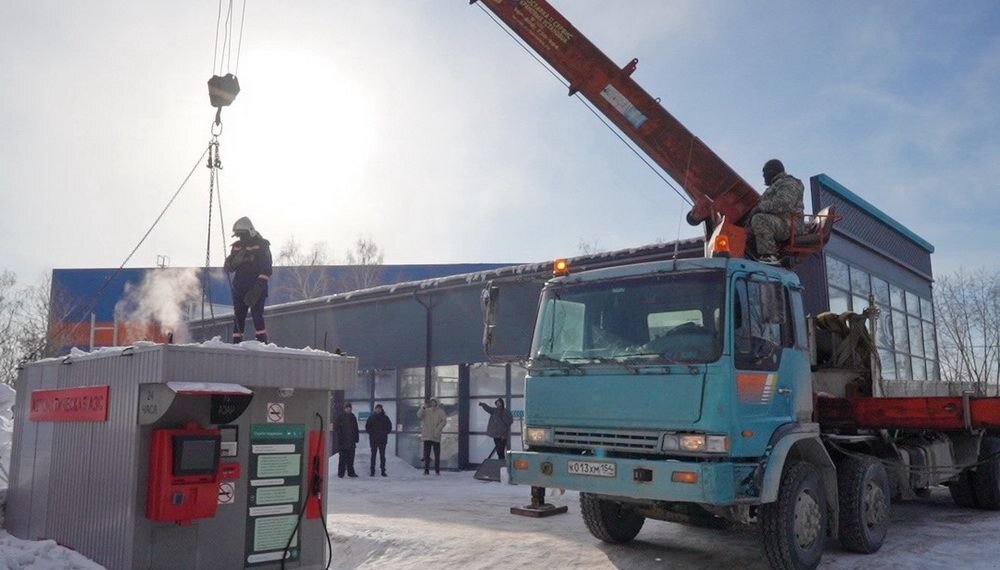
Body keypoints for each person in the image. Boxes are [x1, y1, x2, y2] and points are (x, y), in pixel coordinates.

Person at [223, 216, 273, 343]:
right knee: (238, 318)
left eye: (242, 235)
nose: (240, 238)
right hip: (239, 289)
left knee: (257, 317)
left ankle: (262, 344)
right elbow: (228, 267)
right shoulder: (238, 246)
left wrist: (257, 289)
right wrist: (234, 261)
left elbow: (266, 269)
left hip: (256, 289)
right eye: (238, 235)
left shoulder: (262, 245)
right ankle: (236, 345)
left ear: (250, 231)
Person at [749, 159, 804, 265]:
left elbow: (784, 203)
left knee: (760, 220)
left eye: (764, 174)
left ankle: (768, 256)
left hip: (790, 225)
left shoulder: (789, 183)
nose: (764, 177)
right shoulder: (777, 185)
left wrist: (760, 208)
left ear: (771, 172)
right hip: (781, 222)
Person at [417, 398, 447, 475]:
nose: (433, 403)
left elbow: (444, 421)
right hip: (427, 435)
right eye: (431, 402)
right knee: (426, 454)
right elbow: (419, 415)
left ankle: (437, 470)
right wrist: (423, 408)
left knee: (437, 454)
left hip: (436, 436)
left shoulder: (441, 412)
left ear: (437, 403)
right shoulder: (426, 410)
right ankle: (426, 470)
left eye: (434, 402)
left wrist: (438, 430)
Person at [365, 404, 393, 477]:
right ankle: (372, 471)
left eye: (379, 408)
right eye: (376, 408)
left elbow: (389, 427)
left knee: (382, 456)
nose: (378, 410)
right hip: (373, 440)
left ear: (381, 409)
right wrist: (372, 433)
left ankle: (383, 471)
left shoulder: (385, 418)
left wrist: (384, 433)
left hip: (382, 440)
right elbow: (367, 427)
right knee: (373, 456)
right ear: (375, 409)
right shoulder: (371, 418)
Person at [335, 403, 360, 478]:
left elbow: (356, 428)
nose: (348, 409)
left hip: (351, 442)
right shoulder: (340, 417)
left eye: (349, 408)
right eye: (347, 408)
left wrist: (356, 438)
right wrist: (340, 438)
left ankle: (351, 472)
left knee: (351, 458)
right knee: (342, 458)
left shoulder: (353, 417)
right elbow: (336, 428)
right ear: (344, 408)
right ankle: (341, 473)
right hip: (343, 442)